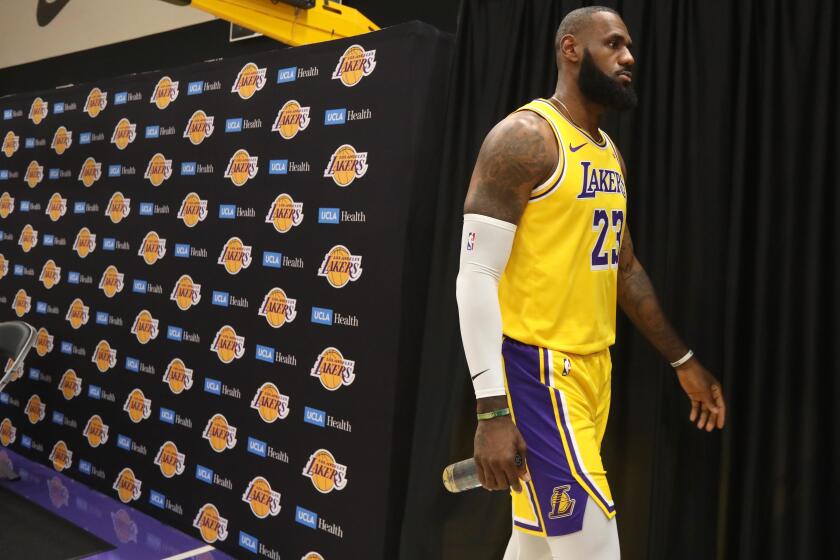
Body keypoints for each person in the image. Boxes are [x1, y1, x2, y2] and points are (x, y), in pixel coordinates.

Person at [455, 6, 726, 559]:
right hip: (541, 373)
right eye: (614, 45)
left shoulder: (607, 154)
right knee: (595, 549)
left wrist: (683, 360)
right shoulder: (527, 137)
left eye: (628, 47)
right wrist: (491, 410)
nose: (629, 57)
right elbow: (475, 275)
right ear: (571, 49)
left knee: (532, 546)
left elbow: (623, 269)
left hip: (592, 376)